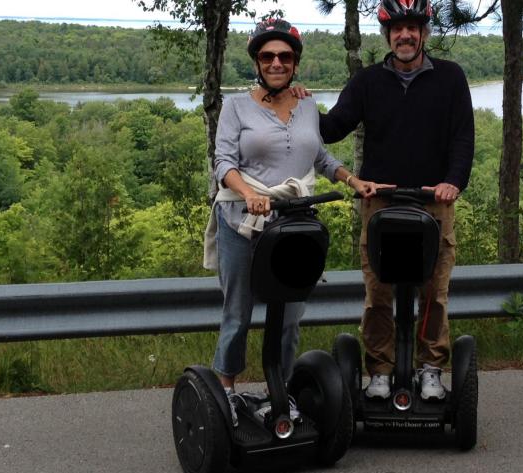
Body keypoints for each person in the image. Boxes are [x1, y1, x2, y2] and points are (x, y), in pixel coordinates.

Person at [202, 18, 381, 427]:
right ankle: (226, 391)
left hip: (292, 225)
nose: (276, 62)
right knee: (238, 312)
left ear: (295, 63)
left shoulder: (306, 105)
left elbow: (320, 157)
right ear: (257, 62)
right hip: (242, 220)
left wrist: (354, 180)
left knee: (289, 316)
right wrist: (249, 195)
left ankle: (278, 392)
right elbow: (224, 163)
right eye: (268, 56)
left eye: (284, 56)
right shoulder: (235, 106)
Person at [317, 0, 475, 401]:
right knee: (378, 295)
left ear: (424, 33)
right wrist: (298, 106)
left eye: (412, 27)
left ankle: (430, 369)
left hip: (433, 202)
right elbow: (334, 127)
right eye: (397, 28)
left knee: (435, 293)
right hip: (381, 203)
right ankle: (380, 370)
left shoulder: (450, 78)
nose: (404, 35)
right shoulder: (369, 81)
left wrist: (453, 182)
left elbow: (462, 137)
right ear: (387, 35)